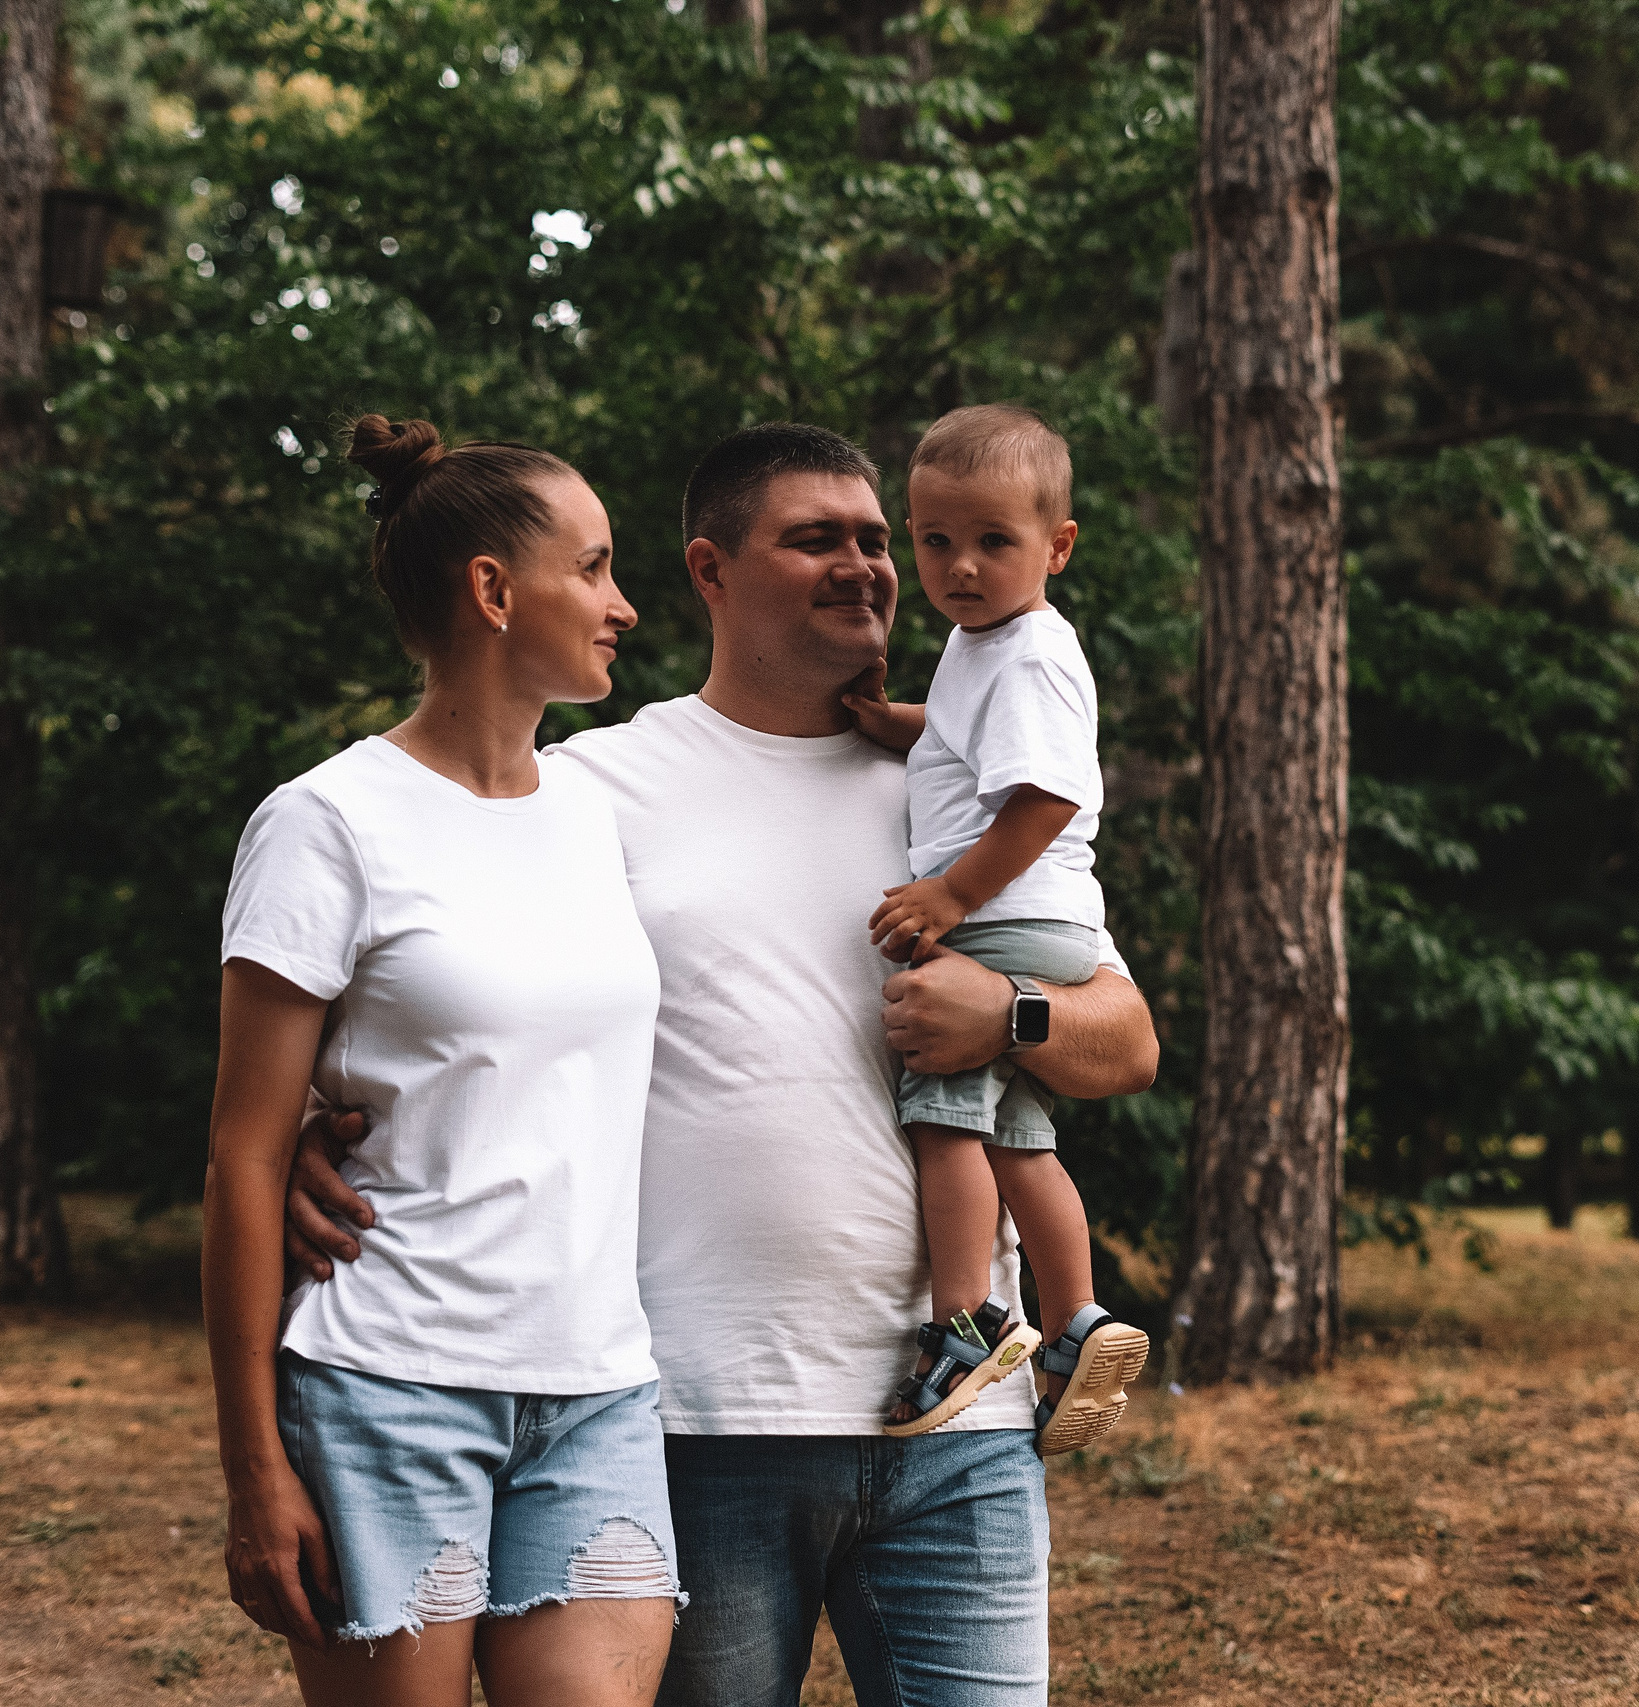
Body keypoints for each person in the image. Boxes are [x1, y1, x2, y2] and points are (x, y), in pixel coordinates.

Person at [284, 422, 1161, 1707]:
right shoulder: (595, 788)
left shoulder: (957, 787)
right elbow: (444, 991)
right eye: (818, 539)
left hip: (958, 1421)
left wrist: (1007, 1015)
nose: (865, 566)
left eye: (876, 539)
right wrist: (322, 1117)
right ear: (708, 569)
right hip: (698, 1419)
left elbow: (1125, 1041)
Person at [203, 415, 682, 1707]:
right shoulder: (326, 822)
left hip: (596, 1388)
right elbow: (245, 1154)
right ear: (490, 589)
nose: (623, 603)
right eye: (592, 568)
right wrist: (255, 1467)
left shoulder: (596, 809)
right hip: (383, 1387)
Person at [846, 405, 1151, 1455]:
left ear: (1057, 546)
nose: (958, 567)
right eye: (933, 540)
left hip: (1009, 923)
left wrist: (951, 898)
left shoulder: (1025, 652)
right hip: (1041, 928)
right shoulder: (986, 648)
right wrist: (900, 726)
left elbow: (1041, 799)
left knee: (944, 1124)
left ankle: (964, 1322)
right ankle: (1074, 1321)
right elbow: (970, 742)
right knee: (1022, 1145)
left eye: (992, 542)